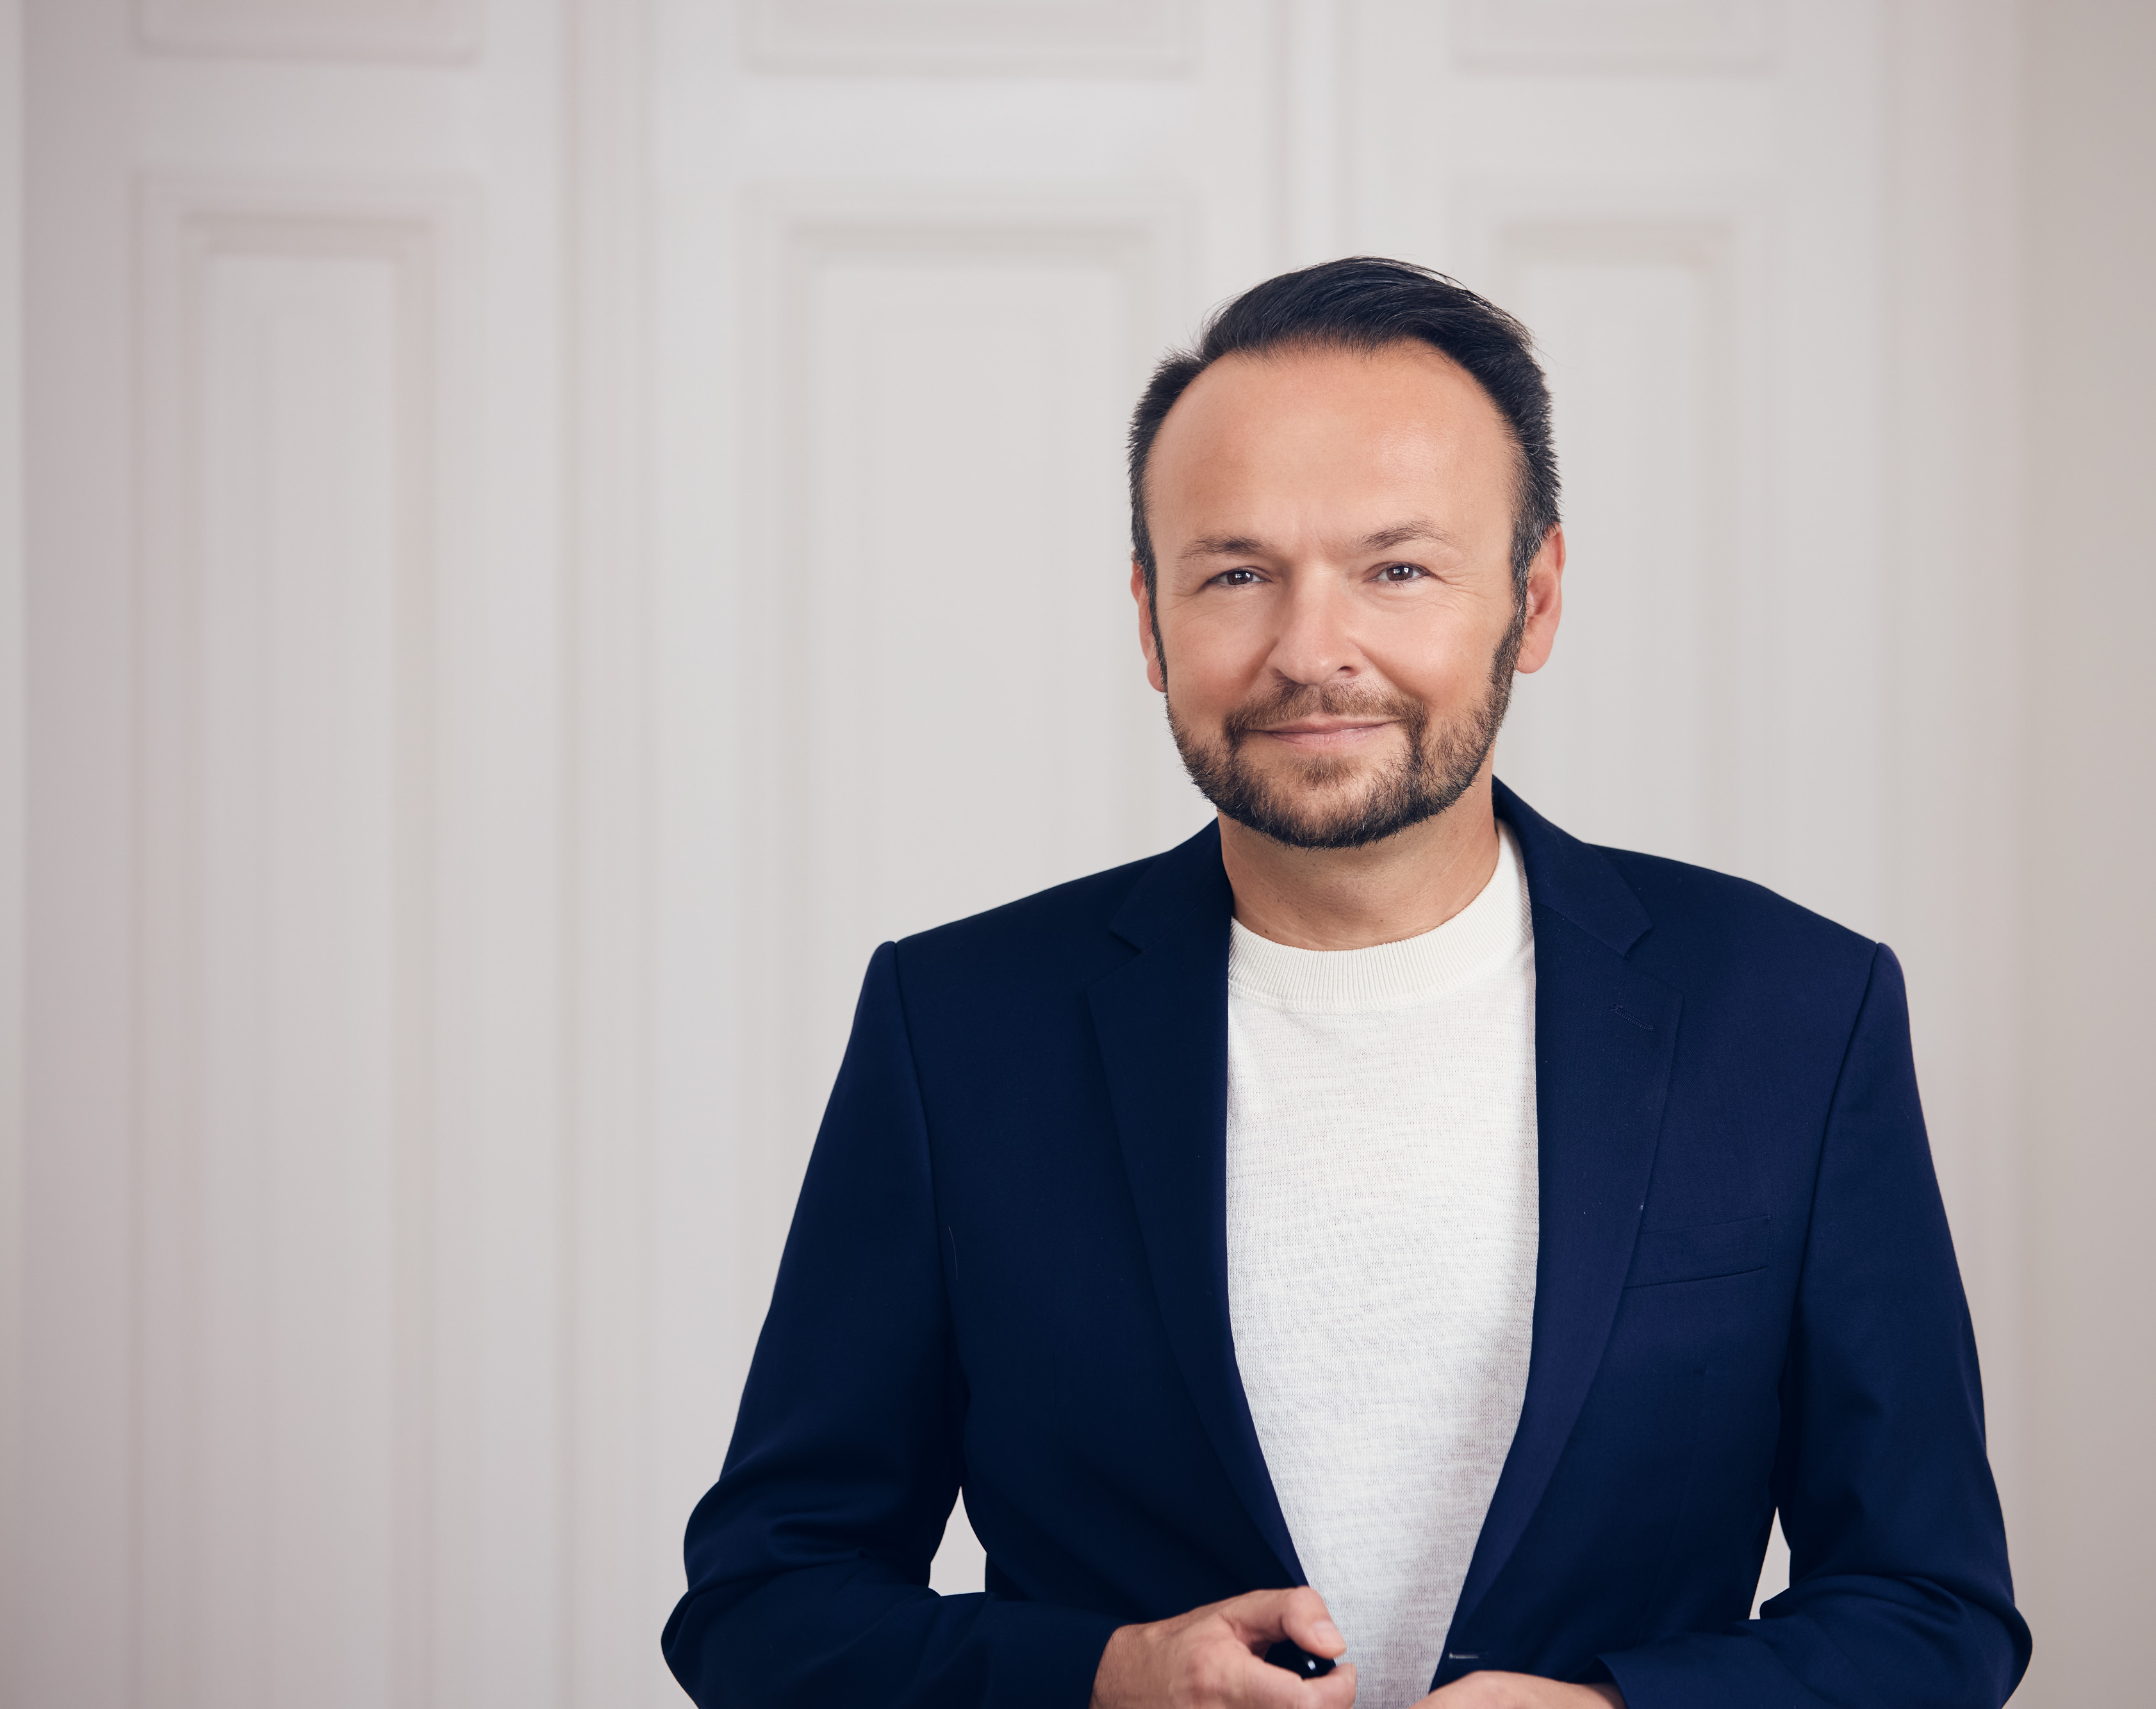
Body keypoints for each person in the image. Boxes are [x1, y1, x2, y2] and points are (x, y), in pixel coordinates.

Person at [661, 258, 2028, 1709]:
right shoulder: (958, 1028)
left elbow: (1931, 1607)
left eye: (1398, 569)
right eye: (1236, 574)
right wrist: (1106, 1676)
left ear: (1533, 599)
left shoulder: (1796, 1014)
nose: (1312, 651)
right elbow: (765, 1599)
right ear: (1149, 621)